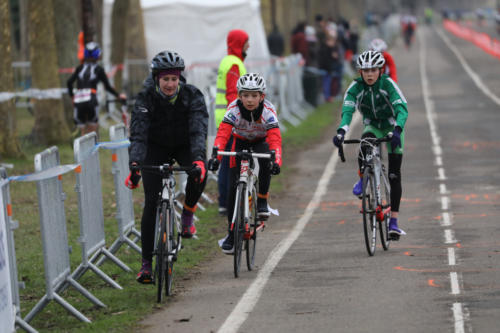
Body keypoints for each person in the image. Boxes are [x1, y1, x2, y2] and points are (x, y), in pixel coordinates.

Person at [126, 50, 208, 283]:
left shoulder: (192, 96)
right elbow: (139, 135)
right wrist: (135, 165)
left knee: (199, 174)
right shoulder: (145, 98)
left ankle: (188, 215)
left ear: (180, 78)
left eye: (174, 79)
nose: (170, 84)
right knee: (152, 201)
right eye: (165, 79)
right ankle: (145, 265)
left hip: (184, 144)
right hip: (155, 147)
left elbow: (198, 131)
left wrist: (199, 160)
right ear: (156, 79)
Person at [332, 50, 408, 240]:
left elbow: (402, 109)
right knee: (364, 144)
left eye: (373, 70)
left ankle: (394, 222)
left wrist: (398, 130)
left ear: (380, 70)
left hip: (392, 125)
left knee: (394, 175)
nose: (369, 74)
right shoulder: (355, 88)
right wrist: (341, 132)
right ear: (360, 72)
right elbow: (347, 112)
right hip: (373, 125)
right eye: (365, 71)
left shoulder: (388, 84)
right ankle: (363, 177)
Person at [207, 73, 282, 253]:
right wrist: (215, 157)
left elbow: (275, 139)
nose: (249, 100)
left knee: (265, 161)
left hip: (260, 141)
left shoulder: (268, 112)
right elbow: (223, 134)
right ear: (239, 96)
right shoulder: (233, 109)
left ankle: (262, 200)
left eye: (254, 96)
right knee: (233, 188)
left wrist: (276, 160)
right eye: (246, 95)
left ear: (261, 97)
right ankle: (232, 234)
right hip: (239, 141)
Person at [215, 29, 249, 216]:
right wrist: (238, 117)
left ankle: (224, 202)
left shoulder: (228, 61)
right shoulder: (234, 64)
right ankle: (227, 203)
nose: (248, 46)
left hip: (223, 115)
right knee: (230, 162)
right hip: (229, 118)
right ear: (239, 43)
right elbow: (231, 93)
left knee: (227, 160)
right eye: (246, 42)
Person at [67, 42, 126, 136]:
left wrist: (72, 96)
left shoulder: (79, 68)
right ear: (97, 55)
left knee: (82, 133)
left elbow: (69, 82)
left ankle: (81, 149)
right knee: (93, 131)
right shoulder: (99, 69)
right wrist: (118, 95)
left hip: (78, 101)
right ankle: (94, 149)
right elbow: (107, 87)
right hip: (91, 100)